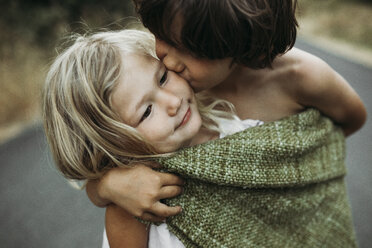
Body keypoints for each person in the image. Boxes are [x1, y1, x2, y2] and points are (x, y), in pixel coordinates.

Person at [87, 0, 367, 226]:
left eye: (188, 50)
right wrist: (108, 186)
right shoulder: (160, 81)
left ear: (243, 44)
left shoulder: (302, 77)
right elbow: (103, 158)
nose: (168, 59)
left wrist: (296, 169)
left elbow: (352, 119)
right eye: (161, 35)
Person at [43, 28, 259, 247]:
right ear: (114, 144)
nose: (173, 102)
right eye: (146, 112)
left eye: (163, 77)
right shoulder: (131, 205)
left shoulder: (234, 117)